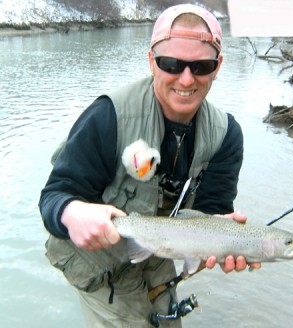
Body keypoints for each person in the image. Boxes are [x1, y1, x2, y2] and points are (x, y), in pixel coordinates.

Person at [39, 4, 260, 327]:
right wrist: (71, 213)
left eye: (201, 66)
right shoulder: (108, 116)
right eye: (172, 64)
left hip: (159, 255)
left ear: (217, 67)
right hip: (97, 265)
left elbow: (214, 211)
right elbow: (54, 196)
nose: (186, 79)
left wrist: (224, 243)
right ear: (151, 61)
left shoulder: (226, 135)